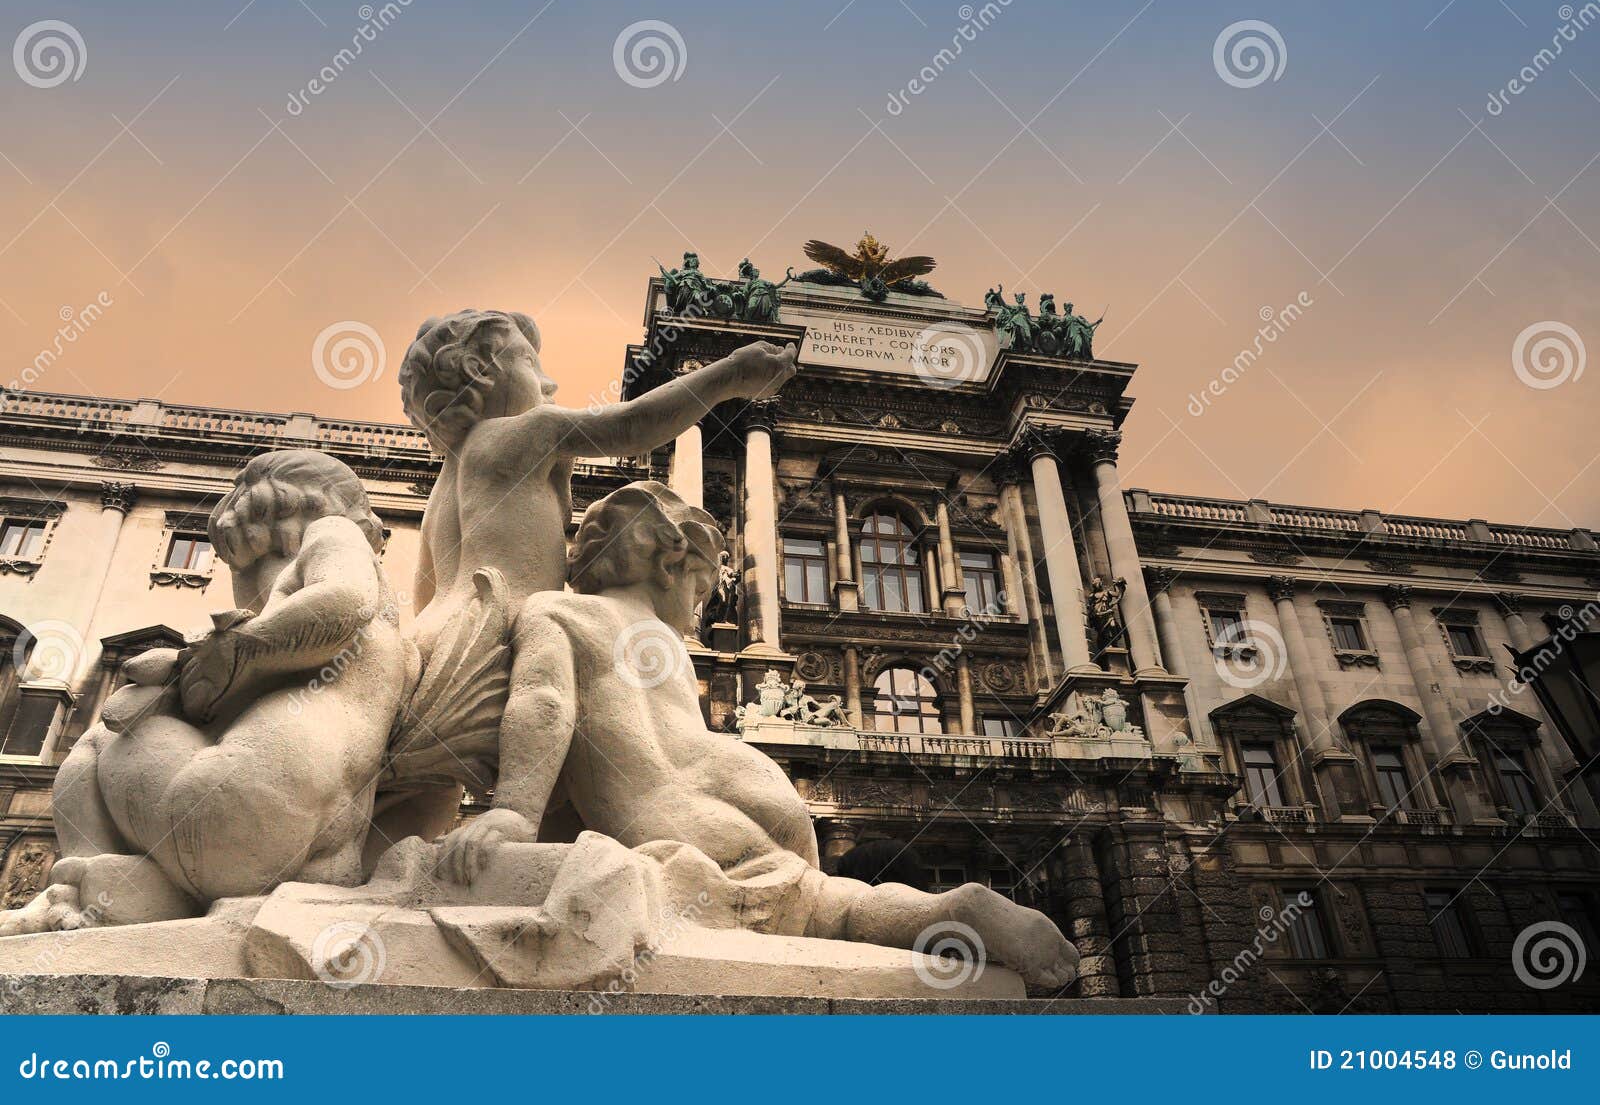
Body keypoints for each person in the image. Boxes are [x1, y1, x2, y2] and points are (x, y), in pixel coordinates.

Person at [433, 481, 1079, 988]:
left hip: (675, 827)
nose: (699, 608)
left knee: (821, 912)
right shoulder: (668, 651)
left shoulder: (557, 611)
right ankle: (952, 907)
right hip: (754, 788)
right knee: (831, 906)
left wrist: (513, 811)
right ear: (667, 565)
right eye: (699, 590)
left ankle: (948, 911)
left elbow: (546, 705)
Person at [378, 309, 797, 845]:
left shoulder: (445, 484)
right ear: (483, 373)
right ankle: (514, 814)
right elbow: (631, 425)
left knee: (417, 812)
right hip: (511, 640)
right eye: (530, 363)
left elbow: (425, 585)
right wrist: (730, 375)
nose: (549, 382)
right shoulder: (531, 431)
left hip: (437, 646)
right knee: (575, 737)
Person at [0, 451, 411, 935]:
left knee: (94, 745)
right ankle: (134, 889)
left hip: (234, 807)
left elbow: (343, 601)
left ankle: (77, 883)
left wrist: (226, 650)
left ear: (268, 513)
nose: (246, 587)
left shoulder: (331, 534)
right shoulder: (389, 646)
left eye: (247, 562)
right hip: (320, 847)